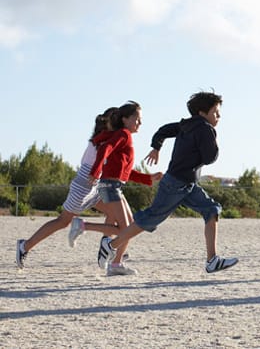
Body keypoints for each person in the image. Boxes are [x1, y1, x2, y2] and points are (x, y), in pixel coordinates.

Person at [98, 91, 238, 276]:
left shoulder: (185, 125)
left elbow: (163, 130)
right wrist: (212, 141)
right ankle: (111, 244)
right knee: (150, 218)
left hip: (187, 184)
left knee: (211, 210)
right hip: (176, 184)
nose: (218, 117)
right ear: (202, 113)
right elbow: (210, 157)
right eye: (216, 112)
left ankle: (212, 260)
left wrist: (156, 147)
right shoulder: (205, 129)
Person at [15, 108, 130, 269]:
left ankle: (108, 248)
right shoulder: (101, 139)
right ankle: (24, 246)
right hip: (84, 184)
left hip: (96, 185)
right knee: (63, 221)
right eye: (117, 118)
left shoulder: (110, 137)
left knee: (113, 213)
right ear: (109, 121)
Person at [88, 101, 162, 276]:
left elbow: (125, 171)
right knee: (128, 228)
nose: (140, 123)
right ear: (125, 119)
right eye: (137, 119)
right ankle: (111, 256)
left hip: (113, 186)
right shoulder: (124, 134)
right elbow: (105, 148)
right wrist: (95, 170)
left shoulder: (123, 136)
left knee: (129, 226)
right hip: (111, 186)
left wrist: (148, 178)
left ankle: (116, 262)